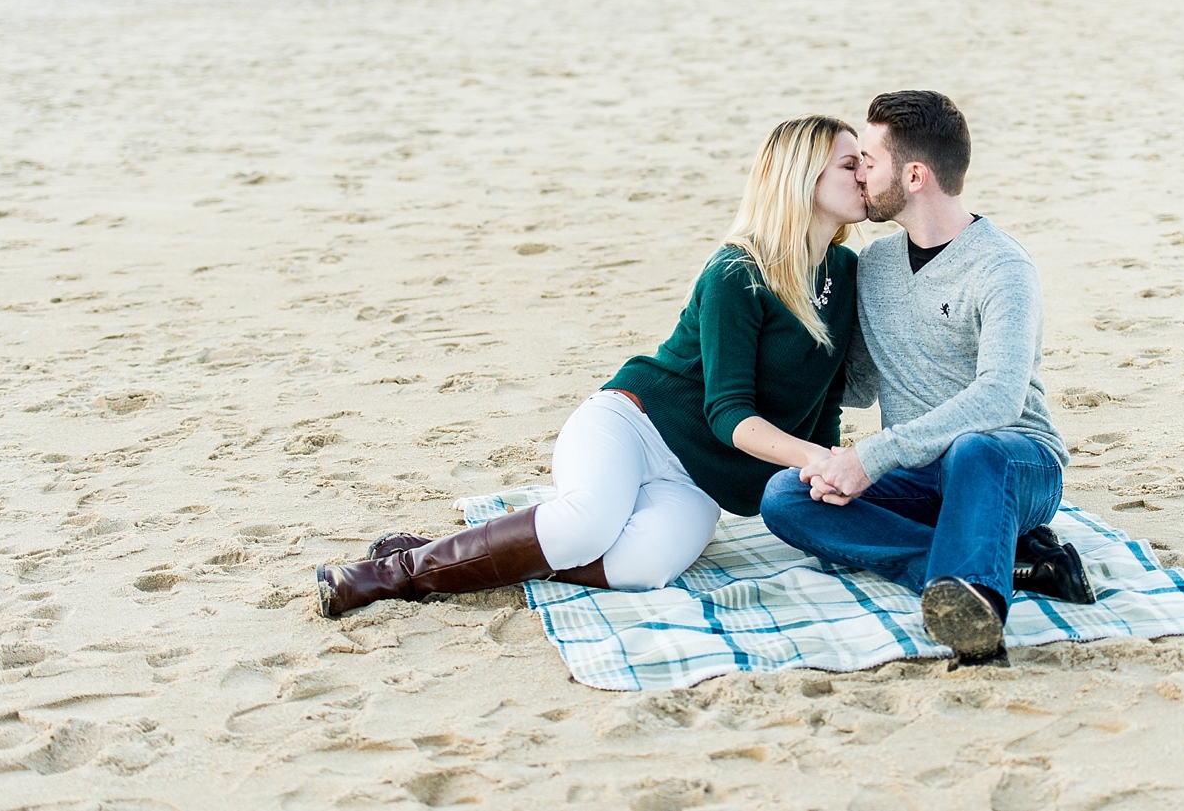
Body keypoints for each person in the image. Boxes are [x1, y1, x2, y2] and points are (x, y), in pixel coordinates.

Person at [317, 115, 868, 617]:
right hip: (636, 423)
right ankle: (389, 575)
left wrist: (824, 479)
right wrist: (818, 460)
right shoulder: (737, 271)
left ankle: (445, 555)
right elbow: (728, 413)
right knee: (585, 527)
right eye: (850, 164)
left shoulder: (845, 274)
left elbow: (825, 400)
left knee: (644, 568)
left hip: (700, 480)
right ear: (803, 178)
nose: (865, 174)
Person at [761, 90, 1090, 667]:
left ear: (913, 175)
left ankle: (977, 619)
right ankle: (1001, 571)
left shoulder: (1002, 267)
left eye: (868, 160)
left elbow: (999, 398)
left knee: (974, 449)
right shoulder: (876, 265)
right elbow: (858, 384)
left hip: (1013, 464)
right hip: (918, 476)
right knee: (789, 494)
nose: (859, 173)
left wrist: (870, 456)